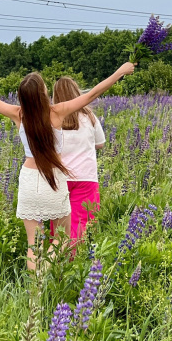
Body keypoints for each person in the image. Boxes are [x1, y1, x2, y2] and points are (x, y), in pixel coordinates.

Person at [0, 63, 135, 270]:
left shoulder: (18, 114)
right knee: (61, 239)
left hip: (28, 179)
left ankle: (35, 291)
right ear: (44, 93)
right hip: (53, 179)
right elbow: (93, 94)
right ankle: (45, 273)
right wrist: (119, 72)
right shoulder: (57, 112)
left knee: (33, 245)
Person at [49, 77, 106, 247]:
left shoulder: (52, 118)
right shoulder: (89, 117)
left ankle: (57, 264)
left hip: (59, 178)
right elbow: (100, 144)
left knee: (59, 227)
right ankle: (76, 262)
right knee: (81, 224)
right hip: (86, 178)